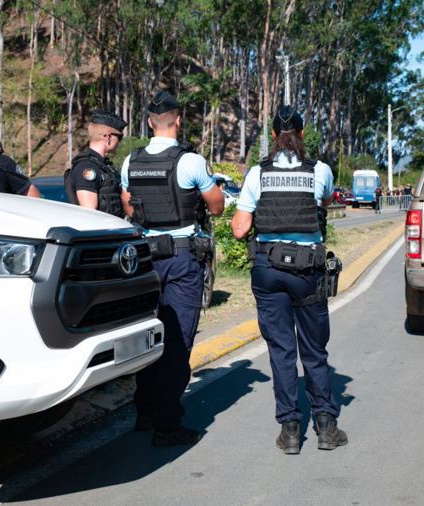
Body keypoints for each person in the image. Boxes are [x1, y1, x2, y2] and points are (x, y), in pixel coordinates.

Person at [231, 106, 347, 454]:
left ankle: (290, 433)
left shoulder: (257, 174)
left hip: (267, 271)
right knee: (314, 350)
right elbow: (326, 203)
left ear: (274, 134)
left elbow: (239, 229)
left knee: (281, 350)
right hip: (307, 271)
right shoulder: (319, 170)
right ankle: (326, 428)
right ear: (301, 132)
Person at [121, 90, 224, 446]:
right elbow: (217, 207)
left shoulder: (130, 161)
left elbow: (129, 206)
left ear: (150, 122)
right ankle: (168, 424)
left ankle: (145, 412)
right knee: (177, 341)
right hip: (181, 258)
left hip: (144, 259)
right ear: (178, 121)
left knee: (149, 336)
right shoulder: (191, 162)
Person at [64, 110, 126, 217]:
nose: (120, 142)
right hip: (101, 232)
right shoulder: (86, 168)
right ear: (108, 137)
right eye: (119, 137)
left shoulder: (105, 167)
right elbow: (90, 215)